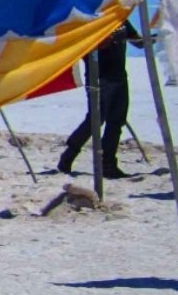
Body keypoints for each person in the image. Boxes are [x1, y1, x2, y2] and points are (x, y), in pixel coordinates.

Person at [58, 20, 143, 179]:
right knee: (95, 120)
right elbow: (85, 48)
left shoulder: (120, 17)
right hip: (98, 77)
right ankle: (68, 156)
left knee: (116, 122)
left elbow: (138, 42)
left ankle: (108, 164)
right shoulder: (90, 18)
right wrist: (103, 41)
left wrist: (158, 37)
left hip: (119, 77)